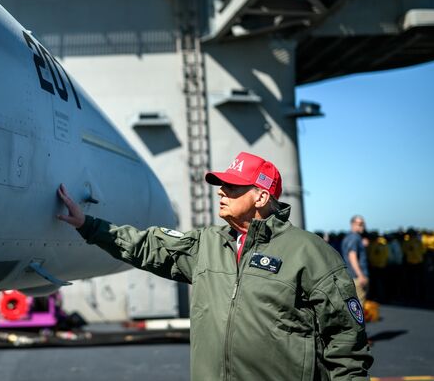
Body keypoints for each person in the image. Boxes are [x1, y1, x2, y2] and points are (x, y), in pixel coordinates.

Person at [57, 151, 373, 380]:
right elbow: (147, 245)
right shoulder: (207, 244)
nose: (221, 191)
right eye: (222, 185)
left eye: (233, 187)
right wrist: (89, 225)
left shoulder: (310, 253)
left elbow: (346, 340)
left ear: (261, 197)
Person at [342, 216, 370, 303]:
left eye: (363, 224)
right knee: (359, 305)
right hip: (357, 277)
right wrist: (360, 275)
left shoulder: (349, 237)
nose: (363, 226)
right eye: (360, 224)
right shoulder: (355, 237)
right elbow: (352, 256)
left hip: (351, 276)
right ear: (352, 224)